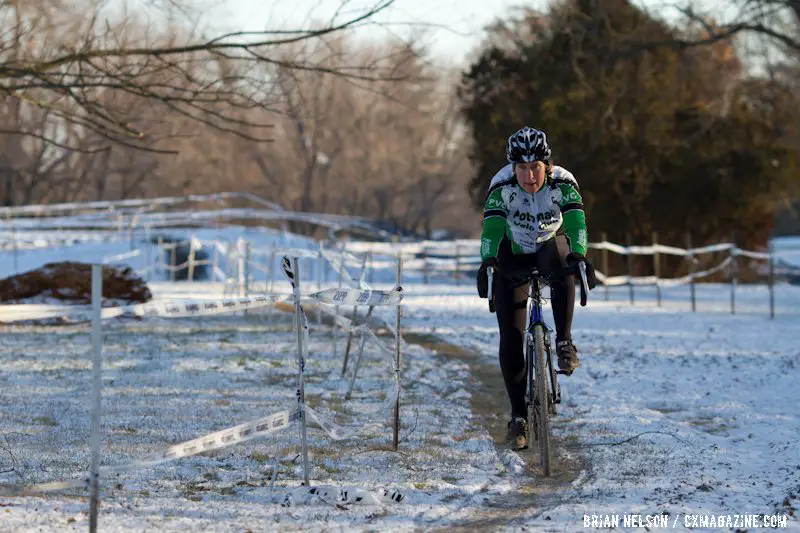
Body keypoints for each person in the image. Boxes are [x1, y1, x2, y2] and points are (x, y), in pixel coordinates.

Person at [477, 126, 597, 450]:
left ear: (547, 164)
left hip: (547, 248)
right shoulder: (502, 187)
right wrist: (487, 261)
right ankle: (518, 417)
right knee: (511, 338)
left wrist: (580, 256)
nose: (529, 176)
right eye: (522, 169)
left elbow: (576, 225)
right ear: (513, 168)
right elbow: (491, 229)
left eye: (535, 168)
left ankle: (564, 341)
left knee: (564, 263)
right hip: (513, 254)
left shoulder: (563, 184)